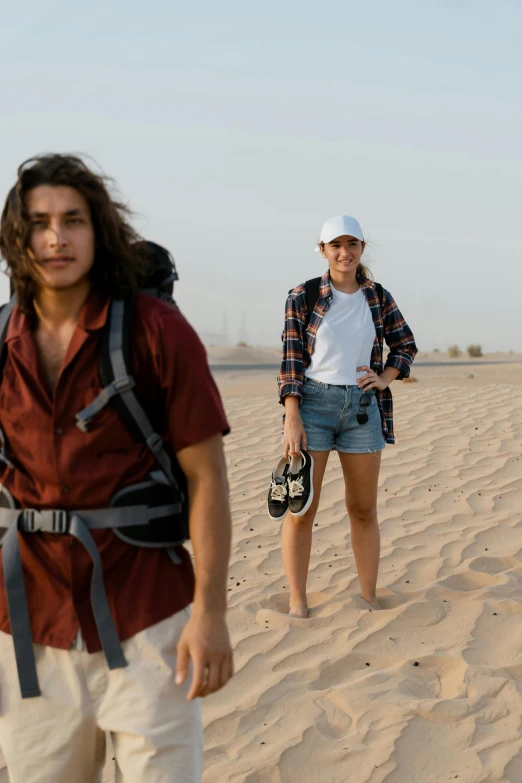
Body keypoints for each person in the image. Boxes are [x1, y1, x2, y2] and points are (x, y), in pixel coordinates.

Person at [0, 153, 233, 782]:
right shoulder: (1, 342)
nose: (56, 237)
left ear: (98, 230)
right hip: (30, 631)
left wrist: (210, 613)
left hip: (150, 623)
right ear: (15, 239)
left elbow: (208, 476)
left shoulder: (157, 332)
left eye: (73, 220)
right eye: (39, 222)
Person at [276, 215, 417, 618]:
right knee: (302, 509)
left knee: (363, 509)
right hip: (312, 407)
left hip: (361, 409)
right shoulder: (302, 296)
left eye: (351, 244)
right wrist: (292, 416)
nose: (344, 252)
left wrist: (385, 377)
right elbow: (290, 361)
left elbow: (405, 344)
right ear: (322, 250)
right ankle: (298, 601)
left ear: (361, 248)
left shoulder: (378, 296)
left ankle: (369, 597)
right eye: (335, 245)